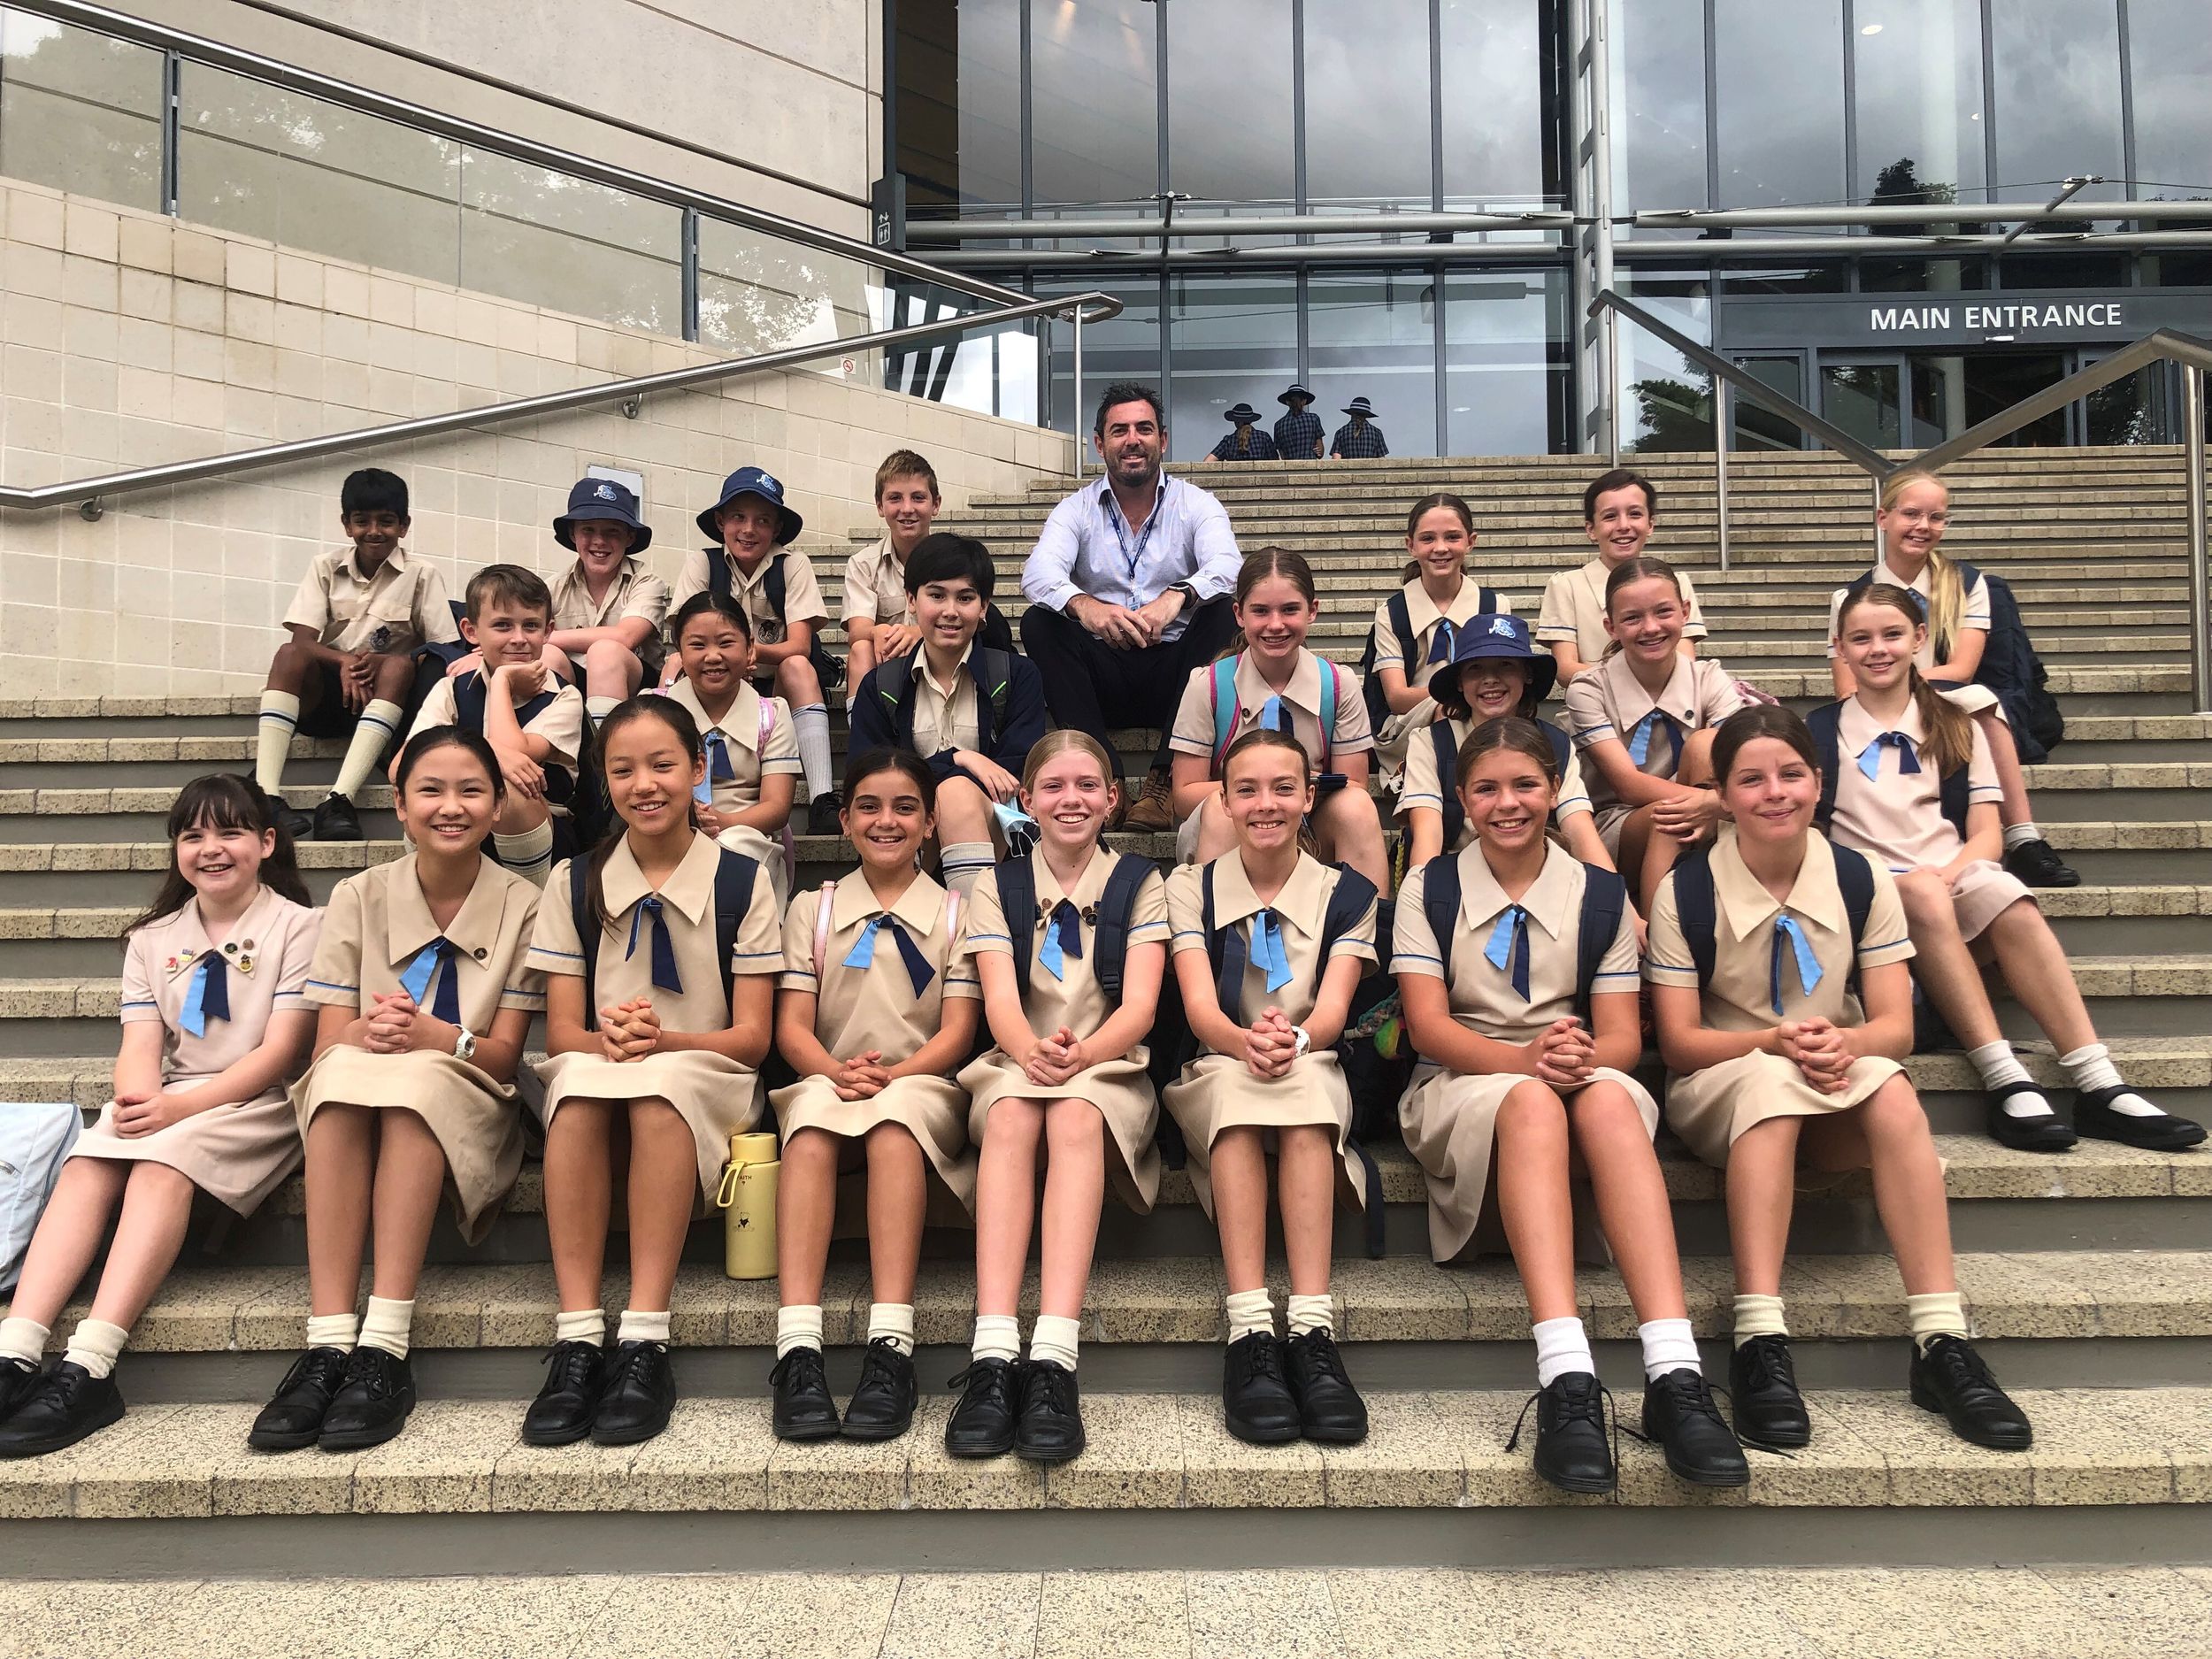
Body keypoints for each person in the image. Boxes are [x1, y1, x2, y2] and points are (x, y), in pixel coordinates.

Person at [1647, 704, 2033, 1454]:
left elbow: (1895, 1026)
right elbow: (1683, 1043)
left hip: (1832, 1068)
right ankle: (1759, 1336)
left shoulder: (1859, 878)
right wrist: (1772, 1040)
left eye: (1791, 774)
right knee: (1768, 1088)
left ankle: (1941, 1339)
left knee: (1892, 1087)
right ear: (1721, 795)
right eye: (1751, 780)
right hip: (1725, 1077)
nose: (1775, 793)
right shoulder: (1685, 891)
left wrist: (1842, 1042)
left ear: (1820, 782)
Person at [1391, 718, 1744, 1493]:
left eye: (1526, 784)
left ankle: (1674, 1371)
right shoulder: (1431, 887)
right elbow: (1428, 1025)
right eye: (1487, 788)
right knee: (1531, 1104)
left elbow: (1621, 1037)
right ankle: (1565, 1374)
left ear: (1556, 790)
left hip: (1568, 1064)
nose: (1508, 803)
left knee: (1612, 1102)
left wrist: (1579, 1058)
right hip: (1464, 1076)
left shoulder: (1601, 892)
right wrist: (1526, 1062)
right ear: (1461, 799)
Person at [0, 778, 319, 1457]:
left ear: (267, 842)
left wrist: (174, 1112)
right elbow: (140, 1046)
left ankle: (90, 1366)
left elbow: (280, 1052)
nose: (211, 848)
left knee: (159, 1163)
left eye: (230, 832)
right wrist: (139, 1101)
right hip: (175, 1092)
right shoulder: (152, 938)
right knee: (88, 1160)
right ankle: (15, 1352)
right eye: (193, 835)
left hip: (257, 1102)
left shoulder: (300, 925)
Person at [1824, 584, 2204, 1153]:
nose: (1878, 649)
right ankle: (2004, 1075)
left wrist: (1949, 875)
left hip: (1951, 879)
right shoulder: (1819, 733)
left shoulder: (1956, 724)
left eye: (1892, 634)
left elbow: (1985, 835)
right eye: (1861, 638)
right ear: (1840, 648)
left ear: (1919, 638)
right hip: (1873, 901)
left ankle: (2100, 1083)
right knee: (1922, 894)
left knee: (2008, 896)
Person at [249, 726, 545, 1453]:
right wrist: (369, 1031)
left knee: (413, 1087)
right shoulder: (358, 894)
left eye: (471, 790)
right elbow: (329, 1041)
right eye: (430, 790)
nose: (451, 806)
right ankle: (327, 1344)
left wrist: (439, 1037)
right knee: (338, 1082)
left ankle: (384, 1345)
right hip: (364, 1074)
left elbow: (505, 1059)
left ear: (497, 804)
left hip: (469, 1087)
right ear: (402, 806)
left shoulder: (525, 903)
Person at [521, 697, 784, 1448]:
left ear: (698, 768)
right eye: (623, 769)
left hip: (706, 1072)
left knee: (659, 1091)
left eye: (663, 764)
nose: (645, 784)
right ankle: (578, 1336)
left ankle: (644, 1337)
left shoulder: (742, 880)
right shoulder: (575, 880)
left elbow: (753, 1039)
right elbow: (562, 1032)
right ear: (604, 782)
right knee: (573, 1092)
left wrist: (665, 1041)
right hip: (604, 1066)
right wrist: (609, 1038)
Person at [945, 733, 1170, 1463]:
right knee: (1011, 1113)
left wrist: (1083, 1056)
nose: (1070, 799)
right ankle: (992, 1352)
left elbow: (1140, 1006)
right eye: (1053, 786)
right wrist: (1029, 1052)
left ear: (1113, 798)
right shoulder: (997, 884)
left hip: (1108, 1064)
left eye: (1087, 785)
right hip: (1018, 1058)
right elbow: (1000, 1001)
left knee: (1075, 1114)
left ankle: (1054, 1359)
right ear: (1027, 799)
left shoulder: (1140, 881)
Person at [1164, 729, 1375, 1447]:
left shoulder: (1348, 892)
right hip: (1220, 1056)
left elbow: (1335, 1006)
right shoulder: (1189, 887)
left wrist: (1297, 1041)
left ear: (1309, 796)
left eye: (1284, 788)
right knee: (1234, 1102)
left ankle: (1312, 1332)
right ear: (1224, 801)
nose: (1266, 804)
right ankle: (1250, 1331)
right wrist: (1245, 1042)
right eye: (1247, 789)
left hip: (1309, 1054)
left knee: (1309, 1102)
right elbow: (1200, 1006)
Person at [767, 749, 983, 1446]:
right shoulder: (814, 908)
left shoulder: (956, 912)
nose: (886, 820)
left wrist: (894, 1076)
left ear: (930, 824)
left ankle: (891, 1347)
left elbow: (958, 1032)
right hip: (830, 1075)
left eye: (905, 807)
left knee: (893, 1126)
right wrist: (836, 1072)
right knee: (807, 1130)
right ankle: (798, 1347)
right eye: (868, 806)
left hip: (919, 1082)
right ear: (844, 819)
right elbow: (791, 1028)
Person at [1828, 469, 2078, 889]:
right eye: (1911, 514)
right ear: (1883, 517)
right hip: (1875, 705)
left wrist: (1901, 685)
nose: (1923, 526)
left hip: (1943, 696)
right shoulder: (1849, 598)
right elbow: (1846, 688)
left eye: (1936, 517)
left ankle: (2023, 838)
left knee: (1979, 699)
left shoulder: (1968, 584)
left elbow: (1961, 669)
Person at [1019, 382, 1242, 833]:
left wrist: (1177, 596)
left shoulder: (1196, 504)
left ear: (1163, 439)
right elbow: (1037, 574)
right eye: (1119, 431)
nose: (1132, 440)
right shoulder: (1076, 509)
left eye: (1144, 428)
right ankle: (1109, 779)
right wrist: (1086, 606)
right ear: (1100, 444)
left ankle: (1164, 779)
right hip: (1103, 675)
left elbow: (1230, 566)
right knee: (1039, 621)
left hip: (1178, 677)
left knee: (1222, 613)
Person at [1167, 549, 1388, 890]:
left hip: (1310, 822)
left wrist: (1293, 792)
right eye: (1260, 611)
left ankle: (1362, 918)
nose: (1275, 624)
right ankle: (1217, 920)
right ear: (1239, 614)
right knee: (1223, 809)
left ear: (1312, 611)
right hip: (1228, 826)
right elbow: (1184, 794)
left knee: (1356, 807)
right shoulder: (1207, 686)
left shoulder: (1338, 685)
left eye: (1289, 610)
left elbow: (1354, 783)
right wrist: (1257, 790)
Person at [256, 467, 457, 843]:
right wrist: (344, 662)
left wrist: (377, 663)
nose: (374, 531)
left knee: (398, 665)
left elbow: (444, 648)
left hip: (384, 699)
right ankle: (266, 796)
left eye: (386, 521)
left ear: (404, 526)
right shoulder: (325, 567)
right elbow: (302, 639)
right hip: (326, 695)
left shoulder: (422, 574)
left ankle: (340, 800)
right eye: (362, 521)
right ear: (347, 525)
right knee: (288, 655)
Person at [848, 534, 1048, 900]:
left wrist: (944, 773)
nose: (951, 611)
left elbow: (1013, 775)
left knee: (954, 794)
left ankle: (973, 928)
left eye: (965, 598)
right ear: (912, 600)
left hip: (995, 834)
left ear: (984, 607)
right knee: (902, 806)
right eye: (936, 595)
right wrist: (959, 758)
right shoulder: (880, 685)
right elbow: (866, 776)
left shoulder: (1018, 676)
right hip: (907, 828)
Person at [1562, 557, 1745, 910]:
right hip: (1620, 823)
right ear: (1611, 627)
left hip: (1711, 808)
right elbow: (1628, 785)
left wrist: (1715, 802)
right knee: (1671, 815)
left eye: (1663, 612)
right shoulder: (1589, 688)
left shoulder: (1709, 678)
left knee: (1707, 744)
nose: (1651, 628)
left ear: (1685, 612)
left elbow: (1742, 760)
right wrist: (1717, 802)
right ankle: (1657, 925)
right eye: (1632, 618)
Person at [672, 466, 842, 835]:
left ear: (776, 528)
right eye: (738, 517)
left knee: (798, 665)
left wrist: (750, 654)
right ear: (721, 521)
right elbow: (683, 634)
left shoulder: (792, 565)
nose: (749, 529)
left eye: (762, 520)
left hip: (772, 685)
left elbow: (800, 644)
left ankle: (821, 797)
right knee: (673, 664)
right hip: (716, 682)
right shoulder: (703, 563)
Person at [398, 565, 586, 887]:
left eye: (531, 626)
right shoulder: (451, 689)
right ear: (471, 631)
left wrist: (501, 681)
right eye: (502, 625)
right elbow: (399, 768)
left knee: (511, 788)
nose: (519, 639)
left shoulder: (564, 696)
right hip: (464, 820)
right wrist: (493, 751)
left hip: (542, 838)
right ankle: (436, 896)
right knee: (422, 790)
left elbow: (514, 754)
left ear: (548, 631)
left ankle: (530, 906)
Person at [1398, 617, 1616, 878]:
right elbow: (1427, 831)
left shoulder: (1555, 743)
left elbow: (1579, 828)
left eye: (1505, 665)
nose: (1490, 679)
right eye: (1475, 668)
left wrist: (1611, 893)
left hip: (1536, 875)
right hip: (1457, 877)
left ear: (1527, 674)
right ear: (1459, 682)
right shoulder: (1431, 742)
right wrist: (1424, 893)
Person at [1365, 492, 1511, 789]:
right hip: (1409, 723)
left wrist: (1470, 701)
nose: (1440, 548)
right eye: (1428, 538)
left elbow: (1506, 677)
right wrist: (1455, 698)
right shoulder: (1392, 613)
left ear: (1471, 541)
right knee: (1447, 714)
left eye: (1452, 537)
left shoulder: (1494, 607)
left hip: (1484, 711)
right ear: (1411, 545)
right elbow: (1397, 697)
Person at [659, 593, 801, 901]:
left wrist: (724, 823)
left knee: (732, 858)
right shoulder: (655, 713)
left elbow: (777, 807)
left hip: (746, 835)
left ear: (750, 648)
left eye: (725, 643)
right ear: (679, 652)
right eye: (698, 645)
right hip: (665, 830)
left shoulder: (771, 715)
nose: (713, 656)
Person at [844, 449, 1005, 687]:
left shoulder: (957, 559)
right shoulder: (863, 564)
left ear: (935, 504)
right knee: (860, 648)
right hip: (889, 658)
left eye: (918, 498)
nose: (907, 508)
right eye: (895, 498)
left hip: (946, 653)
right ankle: (862, 712)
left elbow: (974, 619)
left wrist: (919, 633)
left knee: (992, 621)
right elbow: (858, 629)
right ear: (880, 506)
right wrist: (877, 632)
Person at [1538, 469, 1709, 686]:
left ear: (1650, 524)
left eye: (1635, 514)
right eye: (1610, 516)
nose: (1623, 526)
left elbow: (1685, 660)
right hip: (1594, 702)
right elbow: (1564, 669)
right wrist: (1636, 680)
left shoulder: (1677, 583)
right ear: (1591, 529)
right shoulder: (1567, 585)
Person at [542, 477, 669, 726]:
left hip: (638, 694)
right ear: (573, 534)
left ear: (629, 537)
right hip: (573, 686)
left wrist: (542, 637)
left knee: (606, 651)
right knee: (545, 655)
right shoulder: (551, 588)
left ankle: (606, 746)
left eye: (612, 531)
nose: (599, 541)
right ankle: (551, 740)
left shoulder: (647, 582)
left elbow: (625, 637)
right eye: (588, 530)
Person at [1205, 403, 1279, 463]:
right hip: (1260, 476)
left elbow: (1208, 462)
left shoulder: (1229, 441)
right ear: (1251, 421)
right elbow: (1275, 462)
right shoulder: (1264, 437)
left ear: (1236, 422)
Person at [1273, 383, 1325, 461]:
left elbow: (1282, 455)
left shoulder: (1278, 425)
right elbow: (1320, 453)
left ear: (1287, 402)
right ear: (1304, 401)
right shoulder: (1313, 419)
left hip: (1290, 467)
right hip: (1310, 466)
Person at [1329, 396, 1389, 460]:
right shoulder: (1377, 433)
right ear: (1366, 415)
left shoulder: (1341, 432)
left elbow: (1336, 459)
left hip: (1349, 467)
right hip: (1370, 467)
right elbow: (1382, 461)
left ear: (1351, 413)